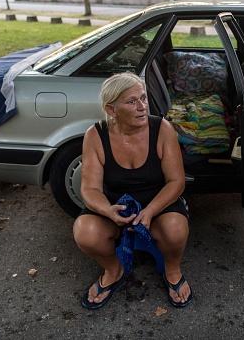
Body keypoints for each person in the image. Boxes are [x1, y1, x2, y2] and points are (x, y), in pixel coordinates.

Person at [73, 72, 193, 310]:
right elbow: (90, 188)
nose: (142, 107)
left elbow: (176, 182)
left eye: (143, 98)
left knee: (176, 229)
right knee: (85, 232)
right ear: (111, 110)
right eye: (132, 101)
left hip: (158, 203)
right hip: (115, 204)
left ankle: (173, 270)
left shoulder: (162, 129)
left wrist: (150, 211)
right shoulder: (95, 135)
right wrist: (108, 210)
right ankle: (113, 270)